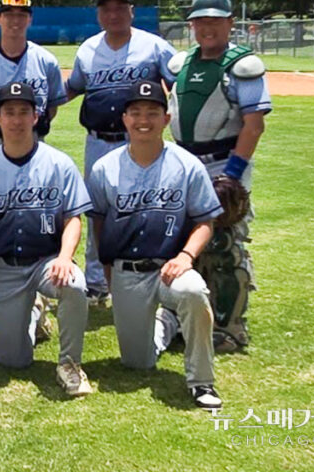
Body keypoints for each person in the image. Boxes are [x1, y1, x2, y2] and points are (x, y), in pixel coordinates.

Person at [86, 79, 224, 409]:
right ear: (124, 119)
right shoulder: (105, 169)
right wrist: (108, 273)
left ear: (166, 118)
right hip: (127, 271)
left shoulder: (187, 165)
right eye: (135, 112)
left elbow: (205, 221)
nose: (143, 120)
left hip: (170, 268)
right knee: (138, 362)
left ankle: (201, 381)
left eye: (152, 112)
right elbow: (99, 226)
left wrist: (186, 256)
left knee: (193, 291)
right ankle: (168, 322)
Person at [0, 82, 93, 397]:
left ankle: (70, 364)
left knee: (74, 284)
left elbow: (73, 218)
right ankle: (34, 313)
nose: (17, 119)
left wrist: (65, 257)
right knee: (13, 361)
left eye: (24, 112)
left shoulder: (58, 163)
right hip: (3, 268)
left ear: (36, 117)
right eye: (9, 112)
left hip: (47, 261)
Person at [167, 0, 272, 352]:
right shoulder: (181, 64)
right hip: (187, 164)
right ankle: (192, 320)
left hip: (223, 161)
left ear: (230, 23)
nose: (207, 28)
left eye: (215, 21)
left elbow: (253, 126)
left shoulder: (242, 66)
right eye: (200, 21)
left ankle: (229, 327)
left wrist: (232, 174)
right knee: (188, 243)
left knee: (224, 245)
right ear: (192, 25)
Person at [65, 0, 177, 306]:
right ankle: (97, 282)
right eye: (106, 8)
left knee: (147, 206)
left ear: (132, 11)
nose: (113, 14)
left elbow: (178, 83)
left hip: (140, 141)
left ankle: (151, 275)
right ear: (98, 14)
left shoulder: (154, 47)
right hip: (98, 141)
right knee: (97, 209)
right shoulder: (88, 50)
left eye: (120, 7)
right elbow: (73, 87)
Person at [0, 0, 64, 151]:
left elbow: (52, 106)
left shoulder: (47, 61)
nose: (15, 20)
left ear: (30, 19)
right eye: (9, 15)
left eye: (22, 15)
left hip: (35, 142)